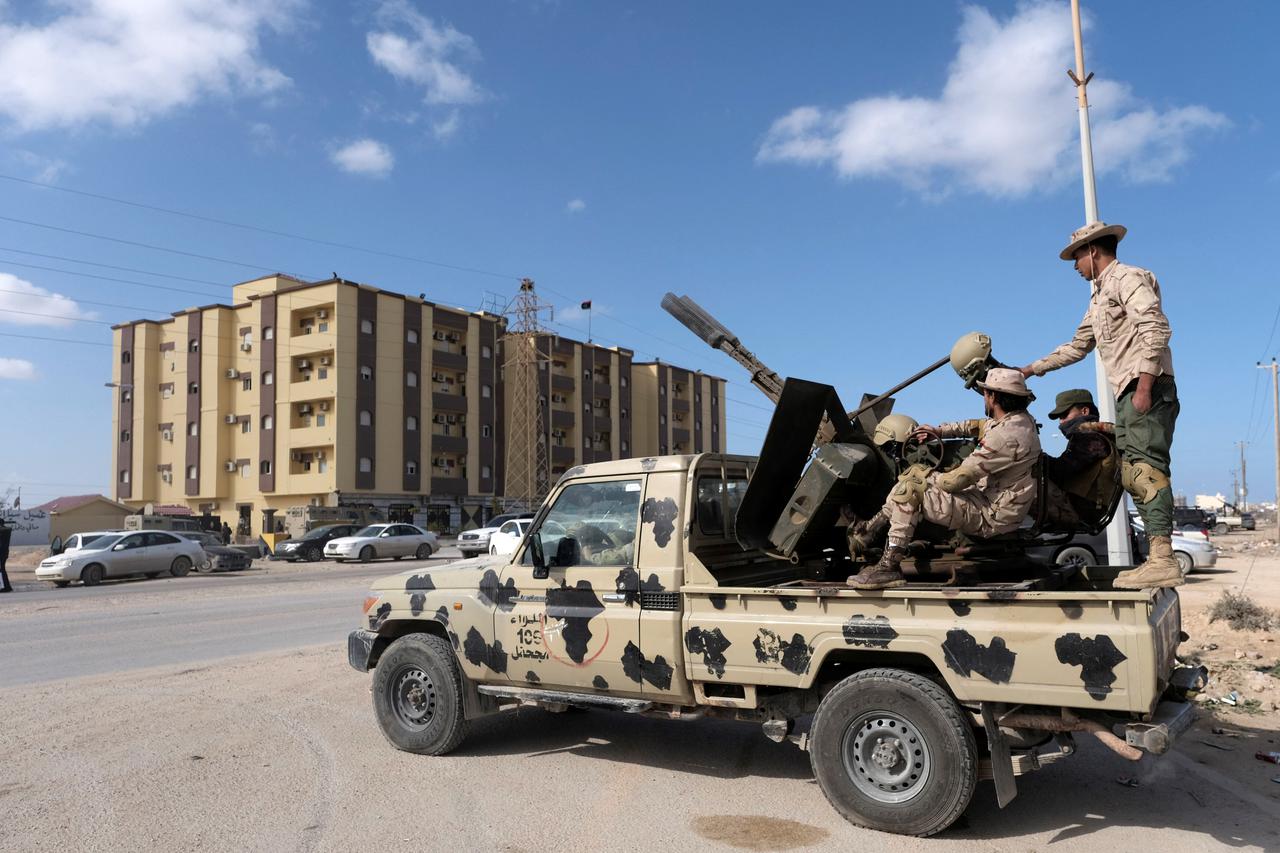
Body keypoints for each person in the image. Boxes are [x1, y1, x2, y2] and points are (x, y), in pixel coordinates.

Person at [1019, 221, 1181, 588]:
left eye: (1076, 257)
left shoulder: (1127, 278)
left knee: (1145, 471)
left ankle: (1162, 559)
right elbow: (1078, 346)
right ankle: (1159, 557)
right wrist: (1030, 370)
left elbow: (1155, 327)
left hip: (1144, 386)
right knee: (1131, 472)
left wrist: (1144, 385)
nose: (1075, 266)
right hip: (1130, 388)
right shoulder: (1098, 297)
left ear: (1092, 251)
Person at [848, 368, 1041, 590]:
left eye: (986, 392)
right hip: (996, 503)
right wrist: (939, 431)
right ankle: (867, 532)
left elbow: (954, 482)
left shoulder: (1003, 438)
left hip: (991, 515)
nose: (984, 396)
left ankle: (888, 566)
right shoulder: (1019, 422)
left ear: (993, 397)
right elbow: (977, 425)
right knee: (909, 483)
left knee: (910, 490)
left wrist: (925, 474)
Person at [1042, 388, 1117, 529]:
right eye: (1059, 417)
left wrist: (1035, 459)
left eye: (1064, 415)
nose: (1061, 422)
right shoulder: (1099, 435)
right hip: (1084, 508)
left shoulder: (1091, 438)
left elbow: (1061, 471)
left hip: (1079, 510)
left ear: (1084, 412)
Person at [0, 516, 13, 593]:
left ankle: (5, 587)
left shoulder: (4, 530)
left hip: (1, 553)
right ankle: (6, 586)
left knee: (2, 570)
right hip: (4, 553)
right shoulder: (6, 530)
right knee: (2, 569)